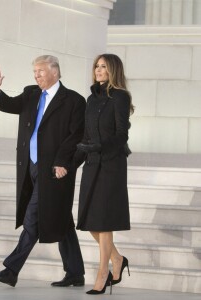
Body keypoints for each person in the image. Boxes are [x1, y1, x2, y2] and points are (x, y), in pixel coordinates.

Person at [0, 55, 86, 288]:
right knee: (62, 219)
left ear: (55, 72)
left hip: (54, 170)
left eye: (40, 71)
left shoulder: (73, 101)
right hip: (30, 166)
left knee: (33, 217)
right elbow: (10, 105)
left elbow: (77, 136)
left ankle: (11, 270)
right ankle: (75, 273)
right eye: (34, 71)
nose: (36, 75)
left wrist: (64, 163)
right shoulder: (31, 93)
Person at [75, 54, 134, 295]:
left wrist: (99, 147)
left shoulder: (119, 96)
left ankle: (102, 274)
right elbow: (86, 136)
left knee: (104, 222)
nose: (98, 70)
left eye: (103, 67)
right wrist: (70, 163)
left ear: (113, 71)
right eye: (96, 66)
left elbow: (122, 135)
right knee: (90, 223)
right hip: (92, 163)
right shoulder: (91, 99)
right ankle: (118, 259)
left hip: (111, 165)